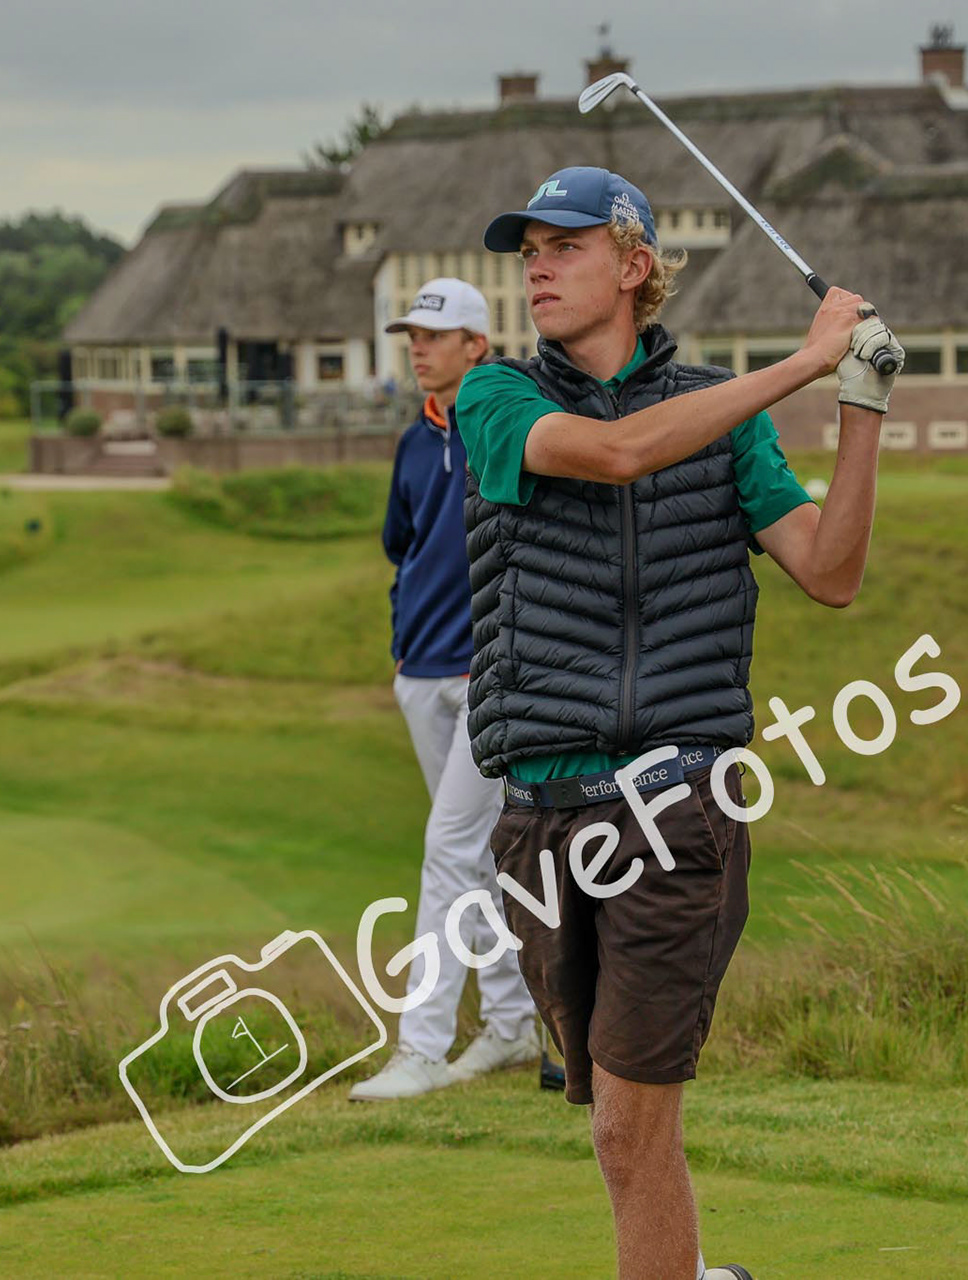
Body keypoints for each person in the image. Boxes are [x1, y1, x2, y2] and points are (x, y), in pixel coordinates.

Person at [456, 167, 902, 1280]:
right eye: (530, 253)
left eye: (564, 246)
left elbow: (830, 572)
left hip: (675, 810)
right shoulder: (497, 399)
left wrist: (861, 406)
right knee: (613, 1114)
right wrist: (801, 362)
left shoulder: (728, 423)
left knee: (627, 1122)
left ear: (635, 265)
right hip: (539, 820)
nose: (539, 268)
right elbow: (616, 453)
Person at [351, 278, 540, 1101]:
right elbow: (404, 548)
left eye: (434, 336)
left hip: (488, 677)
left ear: (477, 346)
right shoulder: (412, 441)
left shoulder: (501, 425)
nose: (417, 349)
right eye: (412, 337)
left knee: (447, 851)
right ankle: (510, 1026)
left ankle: (422, 1046)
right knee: (481, 861)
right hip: (421, 673)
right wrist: (402, 647)